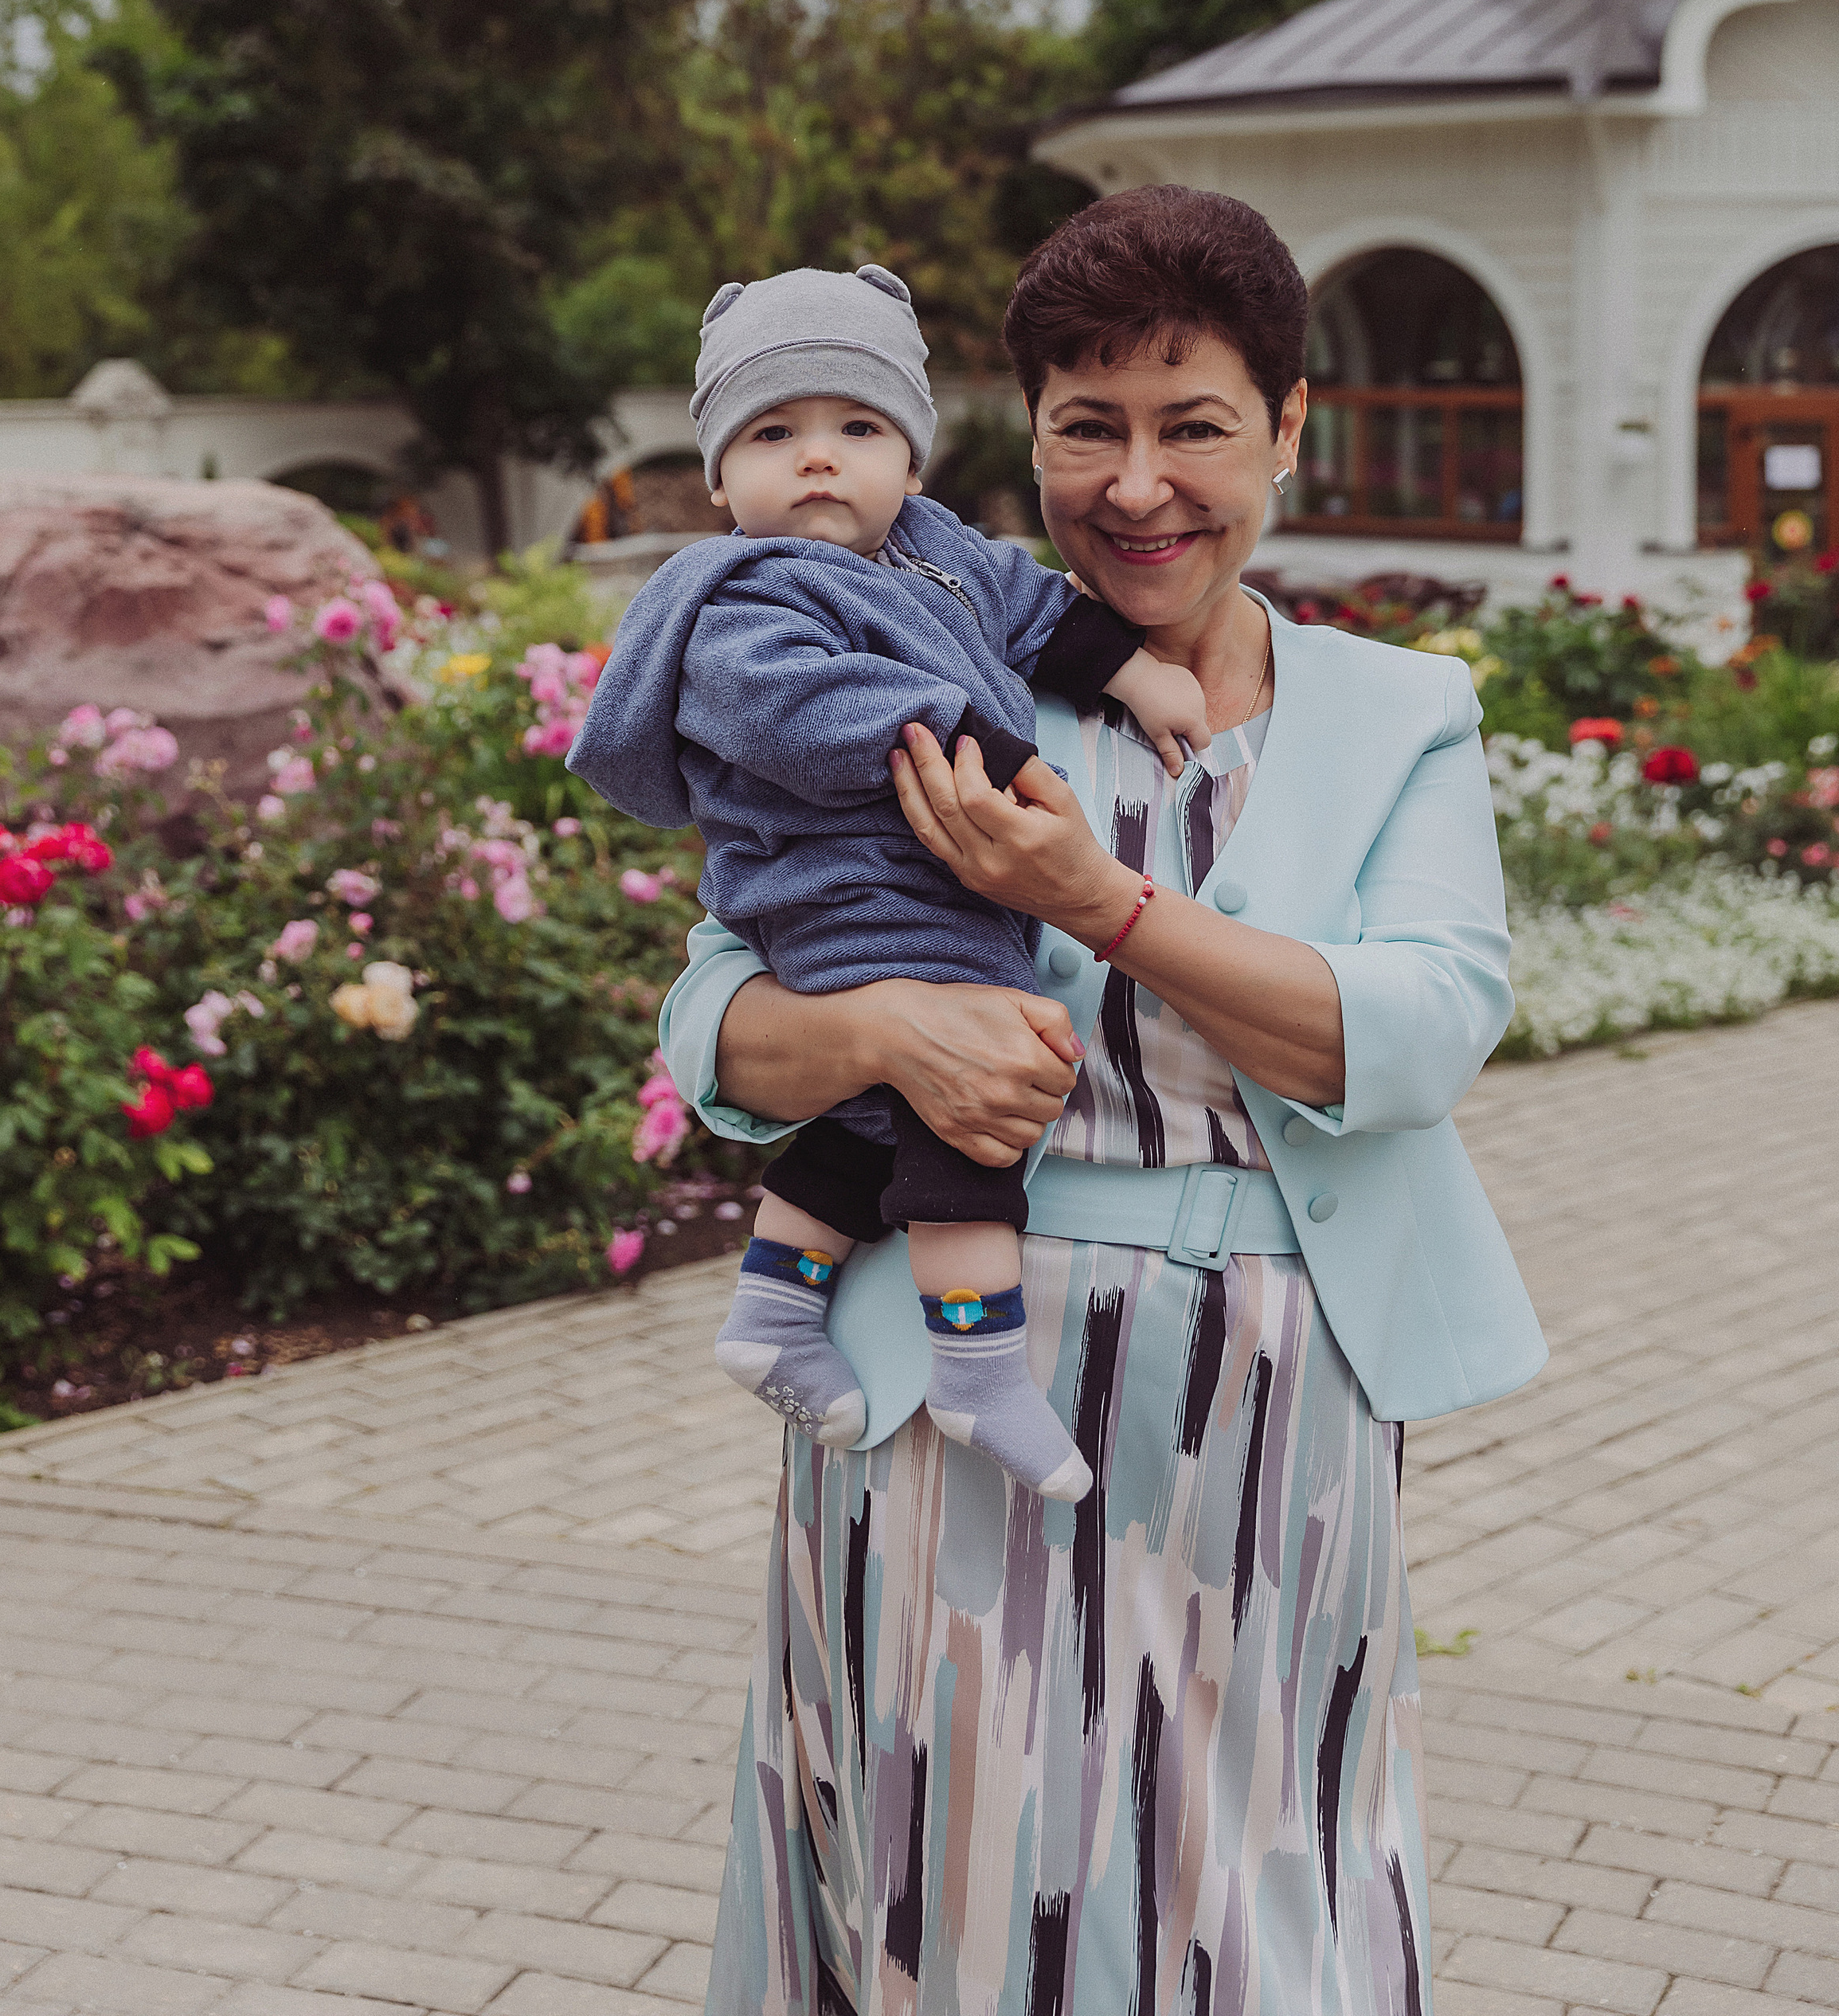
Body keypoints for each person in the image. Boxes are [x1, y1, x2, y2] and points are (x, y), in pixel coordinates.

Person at [659, 185, 1547, 2016]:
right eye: (1087, 430)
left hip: (1272, 1415)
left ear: (1289, 431)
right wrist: (887, 1041)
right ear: (1026, 440)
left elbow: (1414, 1031)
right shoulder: (950, 666)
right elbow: (712, 1023)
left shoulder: (1399, 717)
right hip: (950, 1388)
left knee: (1261, 1879)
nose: (1136, 486)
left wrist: (1100, 905)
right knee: (961, 1879)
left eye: (1192, 425)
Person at [569, 262, 1216, 1501]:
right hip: (836, 888)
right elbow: (811, 714)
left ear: (911, 465)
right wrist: (1002, 749)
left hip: (921, 871)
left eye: (857, 429)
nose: (819, 459)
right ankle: (976, 1371)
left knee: (872, 1126)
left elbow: (1035, 613)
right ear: (718, 478)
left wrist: (1129, 672)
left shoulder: (941, 553)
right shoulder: (741, 599)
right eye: (774, 433)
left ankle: (770, 1310)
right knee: (973, 1089)